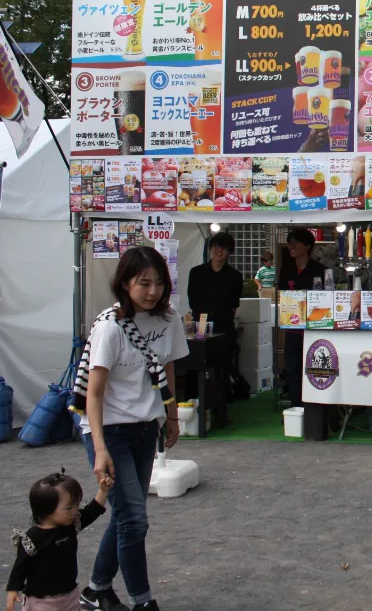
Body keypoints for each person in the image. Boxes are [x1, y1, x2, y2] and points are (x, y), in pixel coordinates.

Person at [71, 246, 188, 611]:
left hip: (143, 429)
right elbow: (94, 392)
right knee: (135, 519)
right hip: (109, 431)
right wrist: (101, 449)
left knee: (126, 516)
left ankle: (95, 591)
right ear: (125, 283)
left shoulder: (169, 319)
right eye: (143, 283)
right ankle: (143, 601)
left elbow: (167, 367)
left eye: (158, 283)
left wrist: (171, 416)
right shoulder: (109, 326)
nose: (152, 291)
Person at [6, 472, 111, 611]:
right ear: (46, 511)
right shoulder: (33, 537)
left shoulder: (71, 525)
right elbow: (20, 566)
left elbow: (92, 511)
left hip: (69, 596)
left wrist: (103, 490)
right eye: (69, 508)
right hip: (42, 602)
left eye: (76, 505)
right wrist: (13, 589)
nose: (75, 511)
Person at [186, 231, 242, 428]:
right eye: (215, 246)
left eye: (224, 248)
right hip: (200, 327)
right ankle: (194, 410)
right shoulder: (196, 272)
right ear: (210, 249)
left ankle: (220, 413)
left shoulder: (235, 276)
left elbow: (235, 305)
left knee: (222, 370)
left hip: (225, 327)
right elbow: (192, 300)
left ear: (229, 252)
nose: (219, 251)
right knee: (196, 369)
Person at [281, 228, 325, 406]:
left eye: (296, 243)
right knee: (292, 368)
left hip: (315, 327)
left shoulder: (320, 270)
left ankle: (315, 407)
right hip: (292, 327)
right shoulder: (286, 270)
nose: (291, 246)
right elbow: (282, 296)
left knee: (315, 366)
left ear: (307, 246)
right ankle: (295, 407)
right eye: (289, 242)